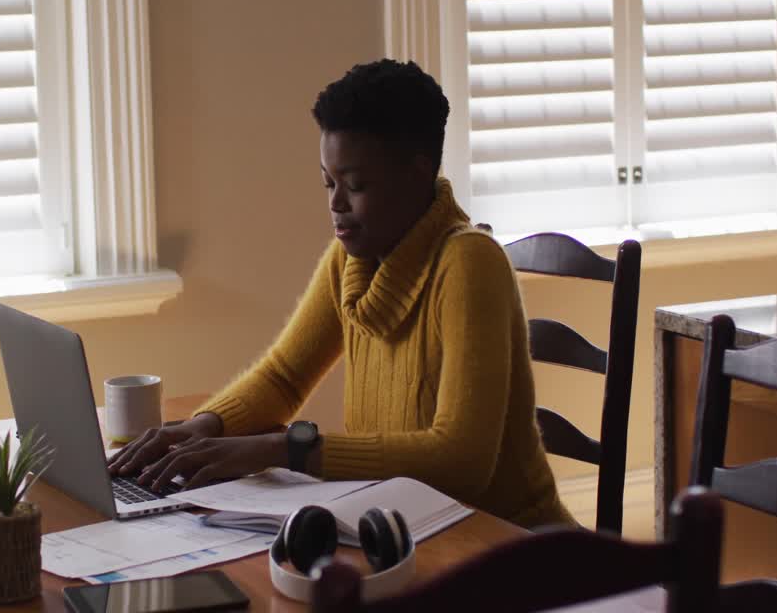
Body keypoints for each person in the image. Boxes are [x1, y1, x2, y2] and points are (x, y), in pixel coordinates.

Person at [107, 59, 576, 528]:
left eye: (355, 185)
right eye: (328, 183)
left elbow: (461, 462)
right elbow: (284, 378)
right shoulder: (349, 261)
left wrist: (286, 449)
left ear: (417, 173)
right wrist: (202, 427)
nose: (335, 203)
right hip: (402, 527)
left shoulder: (470, 263)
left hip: (508, 542)